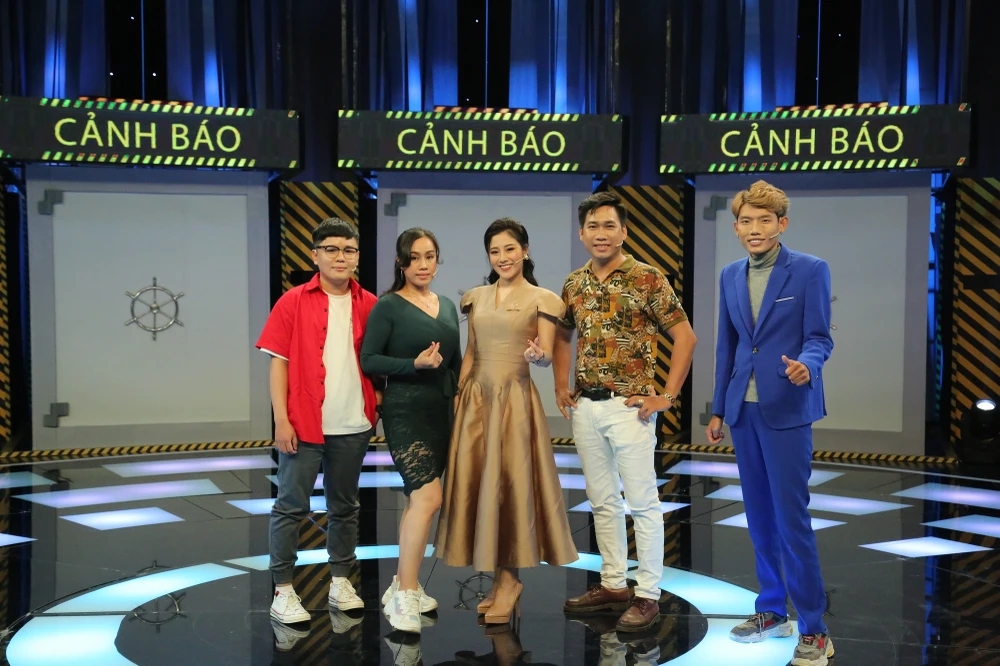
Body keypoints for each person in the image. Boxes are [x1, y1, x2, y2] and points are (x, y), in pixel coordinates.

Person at [554, 191, 697, 633]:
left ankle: (648, 594)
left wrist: (666, 396)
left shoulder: (648, 278)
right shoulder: (574, 283)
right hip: (586, 406)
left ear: (624, 231)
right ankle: (613, 584)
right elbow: (562, 334)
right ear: (582, 234)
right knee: (602, 501)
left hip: (631, 407)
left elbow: (686, 337)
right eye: (593, 226)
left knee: (642, 503)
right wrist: (559, 384)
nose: (601, 234)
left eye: (609, 226)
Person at [706, 180, 834, 666]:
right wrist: (719, 408)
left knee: (791, 520)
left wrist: (808, 366)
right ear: (736, 227)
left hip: (787, 408)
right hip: (744, 411)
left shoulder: (810, 270)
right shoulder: (729, 275)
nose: (754, 228)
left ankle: (815, 629)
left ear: (782, 224)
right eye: (746, 221)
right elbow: (729, 346)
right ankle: (772, 610)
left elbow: (819, 337)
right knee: (759, 517)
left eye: (764, 220)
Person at [434, 218, 579, 624]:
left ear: (525, 251)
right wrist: (460, 396)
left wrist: (538, 356)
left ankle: (511, 580)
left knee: (510, 488)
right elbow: (470, 352)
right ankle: (500, 582)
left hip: (514, 401)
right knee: (482, 488)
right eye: (495, 251)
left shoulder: (544, 299)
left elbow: (545, 354)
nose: (503, 257)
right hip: (476, 401)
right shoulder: (475, 298)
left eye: (510, 249)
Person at [256, 218, 380, 627]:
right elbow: (278, 364)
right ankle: (283, 590)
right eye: (331, 249)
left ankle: (341, 583)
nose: (340, 256)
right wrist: (281, 419)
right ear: (315, 255)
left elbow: (377, 362)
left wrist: (376, 403)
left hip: (353, 424)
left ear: (356, 256)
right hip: (303, 424)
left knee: (345, 507)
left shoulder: (370, 304)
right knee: (290, 507)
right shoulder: (292, 301)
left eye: (348, 249)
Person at [360, 227, 462, 634]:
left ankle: (405, 583)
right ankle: (404, 595)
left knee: (415, 501)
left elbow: (456, 363)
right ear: (401, 263)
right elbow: (369, 359)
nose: (423, 265)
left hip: (442, 411)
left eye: (430, 256)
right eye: (415, 257)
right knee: (429, 497)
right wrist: (413, 365)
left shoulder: (448, 306)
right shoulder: (387, 306)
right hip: (405, 410)